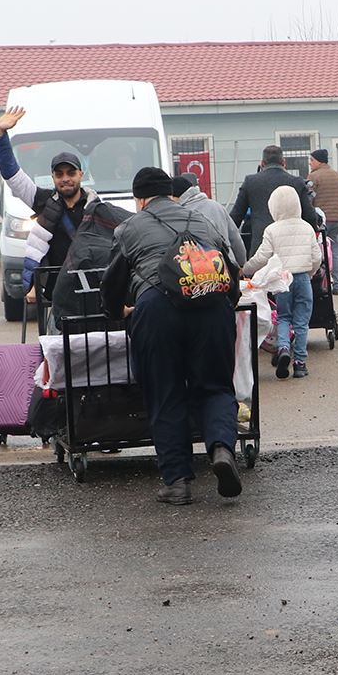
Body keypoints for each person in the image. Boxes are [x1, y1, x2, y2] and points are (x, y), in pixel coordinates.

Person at [101, 167, 241, 504]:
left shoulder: (130, 228)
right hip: (211, 306)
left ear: (140, 199)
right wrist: (224, 307)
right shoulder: (201, 221)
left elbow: (113, 283)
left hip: (157, 310)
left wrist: (117, 311)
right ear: (171, 194)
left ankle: (177, 482)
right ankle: (221, 448)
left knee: (165, 392)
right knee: (216, 386)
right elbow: (231, 269)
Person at [0, 107, 95, 303]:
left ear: (81, 174)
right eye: (59, 174)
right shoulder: (44, 201)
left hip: (93, 291)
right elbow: (12, 176)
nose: (65, 179)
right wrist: (0, 135)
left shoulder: (97, 208)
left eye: (71, 173)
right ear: (52, 177)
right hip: (57, 295)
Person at [242, 185, 321, 380]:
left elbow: (262, 257)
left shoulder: (272, 229)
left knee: (284, 317)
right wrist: (310, 273)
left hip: (282, 280)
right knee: (302, 322)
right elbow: (317, 256)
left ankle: (284, 347)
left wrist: (245, 269)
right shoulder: (307, 227)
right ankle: (300, 363)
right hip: (303, 278)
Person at [229, 146, 318, 255]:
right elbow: (310, 217)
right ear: (284, 162)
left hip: (261, 247)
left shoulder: (250, 182)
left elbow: (235, 218)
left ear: (262, 163)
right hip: (291, 248)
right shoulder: (296, 182)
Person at [170, 174, 246, 268]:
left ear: (175, 197)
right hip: (228, 264)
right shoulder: (217, 206)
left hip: (200, 270)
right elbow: (235, 239)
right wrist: (242, 264)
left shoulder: (181, 215)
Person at [308, 149, 338, 292]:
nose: (310, 163)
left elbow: (308, 200)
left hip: (321, 222)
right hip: (337, 219)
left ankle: (321, 285)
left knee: (319, 253)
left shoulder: (313, 177)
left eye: (312, 160)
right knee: (336, 252)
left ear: (319, 161)